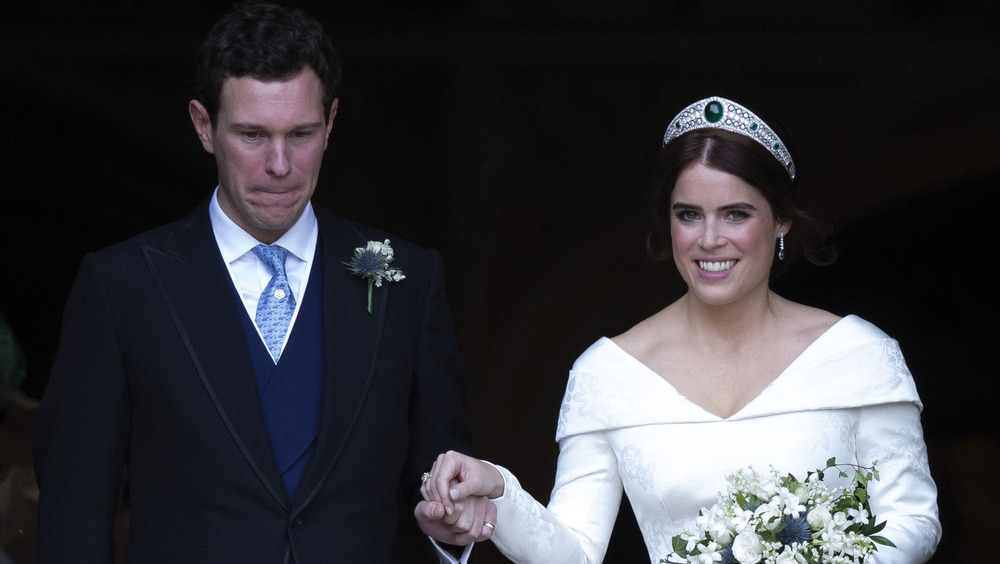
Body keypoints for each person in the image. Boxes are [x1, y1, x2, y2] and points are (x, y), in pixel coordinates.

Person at [33, 3, 489, 563]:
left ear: (331, 122)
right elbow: (74, 512)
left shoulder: (409, 278)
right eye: (252, 135)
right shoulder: (121, 285)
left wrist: (450, 523)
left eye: (301, 133)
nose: (279, 165)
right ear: (204, 126)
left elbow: (444, 477)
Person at [417, 96, 942, 563]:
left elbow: (914, 520)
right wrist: (499, 493)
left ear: (781, 219)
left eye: (736, 214)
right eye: (690, 215)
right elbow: (574, 552)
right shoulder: (608, 371)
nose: (710, 239)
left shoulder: (858, 354)